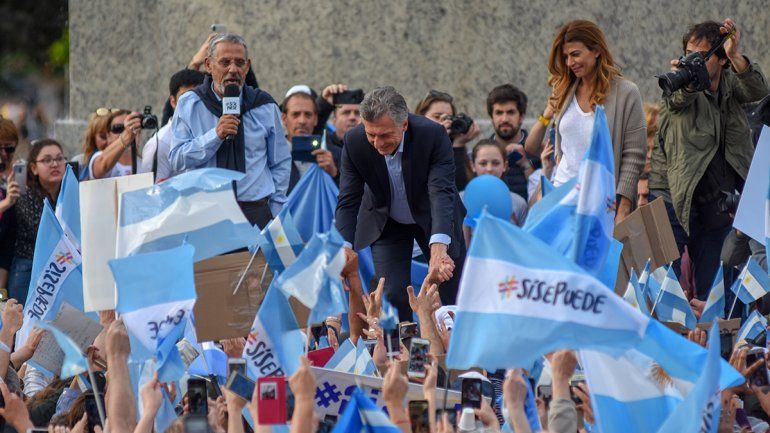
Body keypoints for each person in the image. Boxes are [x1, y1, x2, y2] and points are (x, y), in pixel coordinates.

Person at [649, 19, 769, 299]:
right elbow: (676, 100)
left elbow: (758, 92)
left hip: (716, 202)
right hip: (673, 198)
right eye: (688, 55)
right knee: (666, 292)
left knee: (714, 291)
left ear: (721, 59)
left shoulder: (729, 82)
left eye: (701, 57)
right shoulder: (681, 86)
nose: (693, 63)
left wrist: (736, 55)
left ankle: (714, 340)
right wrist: (688, 79)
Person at [336, 86, 466, 320]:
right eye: (371, 134)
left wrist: (438, 247)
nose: (377, 143)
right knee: (392, 295)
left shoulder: (433, 135)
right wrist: (344, 246)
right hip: (387, 222)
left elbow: (441, 192)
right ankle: (404, 353)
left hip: (434, 218)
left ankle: (454, 353)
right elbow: (348, 199)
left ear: (404, 124)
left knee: (451, 291)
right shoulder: (354, 141)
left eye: (385, 135)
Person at [524, 19, 646, 223]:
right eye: (566, 57)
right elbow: (536, 148)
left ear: (597, 50)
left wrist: (623, 209)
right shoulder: (564, 90)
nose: (570, 63)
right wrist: (546, 115)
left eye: (575, 54)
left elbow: (634, 156)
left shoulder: (626, 93)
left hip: (600, 205)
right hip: (561, 196)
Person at [169, 33, 291, 228]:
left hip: (256, 214)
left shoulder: (265, 105)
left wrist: (274, 211)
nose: (233, 69)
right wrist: (215, 136)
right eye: (225, 62)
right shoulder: (190, 104)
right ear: (208, 65)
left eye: (239, 63)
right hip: (207, 214)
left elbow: (280, 162)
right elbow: (176, 158)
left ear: (247, 66)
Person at [3, 139, 66, 302]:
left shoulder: (70, 191)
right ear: (33, 168)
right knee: (27, 326)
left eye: (59, 158)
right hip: (28, 270)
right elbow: (42, 231)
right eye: (46, 160)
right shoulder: (24, 193)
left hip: (61, 268)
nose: (55, 164)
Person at [140, 68, 205, 182]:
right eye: (185, 98)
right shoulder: (160, 143)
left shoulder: (213, 132)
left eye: (198, 97)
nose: (192, 104)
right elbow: (150, 191)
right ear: (173, 102)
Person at [414, 90, 480, 191]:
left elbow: (459, 191)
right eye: (437, 116)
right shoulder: (410, 148)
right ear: (420, 118)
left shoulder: (457, 149)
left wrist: (458, 145)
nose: (445, 120)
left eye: (449, 117)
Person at [280, 85, 339, 189]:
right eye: (296, 114)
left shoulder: (335, 155)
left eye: (308, 115)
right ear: (284, 119)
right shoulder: (270, 154)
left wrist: (334, 174)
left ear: (316, 119)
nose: (302, 121)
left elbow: (350, 198)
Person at [487, 84, 537, 200]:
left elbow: (544, 195)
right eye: (499, 113)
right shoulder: (482, 153)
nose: (504, 119)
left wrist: (526, 164)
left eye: (510, 112)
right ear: (491, 117)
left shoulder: (537, 151)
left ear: (521, 117)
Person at [463, 140, 528, 227]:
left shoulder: (519, 204)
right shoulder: (459, 201)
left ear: (504, 166)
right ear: (473, 166)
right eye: (483, 163)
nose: (489, 169)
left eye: (495, 163)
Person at [88, 109, 143, 179]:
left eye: (133, 127)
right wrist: (124, 139)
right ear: (108, 136)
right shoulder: (99, 156)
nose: (128, 132)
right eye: (118, 128)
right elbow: (102, 165)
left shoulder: (145, 164)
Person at [0, 118, 21, 290]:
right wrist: (6, 203)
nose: (4, 154)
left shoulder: (19, 170)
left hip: (13, 251)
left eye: (9, 148)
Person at [71, 108, 112, 180]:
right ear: (93, 138)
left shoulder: (131, 162)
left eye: (112, 136)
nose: (108, 141)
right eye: (103, 137)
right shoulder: (79, 162)